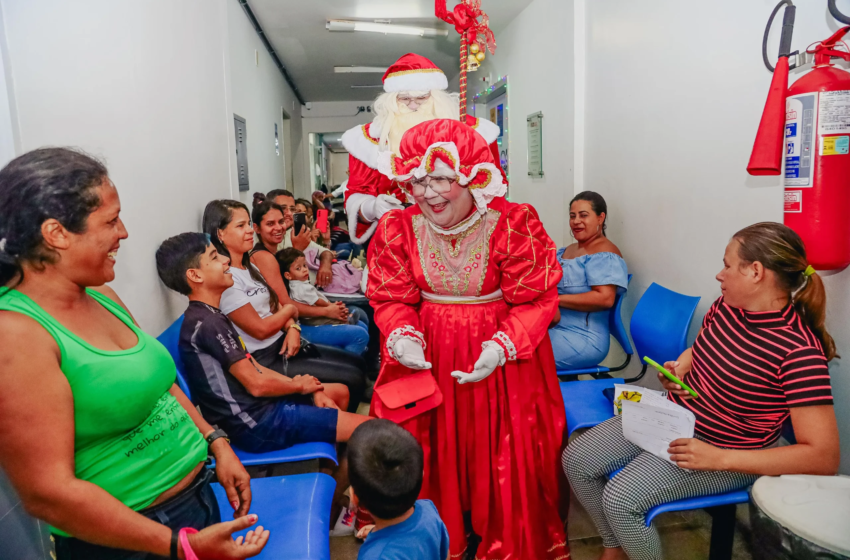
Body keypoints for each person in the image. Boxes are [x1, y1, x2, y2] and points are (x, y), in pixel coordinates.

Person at [0, 148, 268, 560]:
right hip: (131, 539)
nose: (123, 232)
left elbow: (160, 385)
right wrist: (179, 545)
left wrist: (216, 443)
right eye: (110, 220)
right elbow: (47, 494)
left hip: (194, 501)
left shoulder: (103, 297)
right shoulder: (16, 334)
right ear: (56, 233)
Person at [563, 222, 839, 560]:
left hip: (726, 450)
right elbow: (702, 347)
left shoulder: (798, 351)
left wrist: (720, 458)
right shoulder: (728, 307)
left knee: (621, 498)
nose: (719, 275)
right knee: (576, 460)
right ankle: (615, 547)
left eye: (726, 264)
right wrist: (681, 366)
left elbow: (823, 457)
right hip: (677, 416)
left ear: (755, 272)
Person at [367, 119, 568, 560]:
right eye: (417, 180)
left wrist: (502, 345)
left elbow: (538, 299)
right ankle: (446, 534)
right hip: (430, 348)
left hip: (500, 355)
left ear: (473, 175)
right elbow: (389, 297)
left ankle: (501, 538)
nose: (427, 192)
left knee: (501, 450)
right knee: (436, 448)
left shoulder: (513, 222)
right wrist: (402, 336)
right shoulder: (398, 227)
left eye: (440, 177)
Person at [155, 232, 370, 454]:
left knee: (339, 392)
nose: (225, 260)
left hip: (260, 406)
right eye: (214, 257)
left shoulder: (213, 314)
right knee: (370, 430)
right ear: (195, 275)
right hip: (255, 423)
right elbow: (256, 385)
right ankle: (336, 457)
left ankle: (331, 461)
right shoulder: (207, 324)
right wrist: (298, 386)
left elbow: (254, 367)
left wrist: (302, 384)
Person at [203, 199, 367, 411]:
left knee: (357, 366)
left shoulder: (249, 266)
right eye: (240, 226)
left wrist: (291, 327)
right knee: (351, 379)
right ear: (220, 234)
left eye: (248, 224)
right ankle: (335, 429)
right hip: (265, 357)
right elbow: (262, 328)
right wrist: (290, 311)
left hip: (284, 343)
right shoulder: (226, 278)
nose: (249, 231)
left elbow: (275, 306)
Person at [341, 53, 502, 245]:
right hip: (397, 241)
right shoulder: (368, 141)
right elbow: (356, 193)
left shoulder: (474, 134)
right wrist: (371, 207)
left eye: (422, 98)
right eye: (404, 99)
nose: (413, 105)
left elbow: (495, 189)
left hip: (463, 240)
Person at [249, 199, 366, 353]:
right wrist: (327, 311)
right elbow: (286, 303)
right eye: (270, 224)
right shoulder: (264, 257)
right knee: (359, 334)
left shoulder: (276, 251)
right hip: (287, 327)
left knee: (361, 323)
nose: (278, 228)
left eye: (281, 222)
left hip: (302, 313)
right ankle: (344, 372)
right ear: (256, 228)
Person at [348, 419, 449, 560]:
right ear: (422, 475)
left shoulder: (376, 556)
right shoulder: (429, 511)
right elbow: (445, 554)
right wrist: (377, 531)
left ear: (355, 498)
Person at [549, 191, 628, 370]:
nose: (576, 221)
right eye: (572, 216)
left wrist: (554, 299)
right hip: (555, 329)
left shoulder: (604, 254)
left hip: (583, 339)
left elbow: (605, 298)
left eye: (584, 215)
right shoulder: (567, 250)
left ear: (601, 218)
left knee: (514, 355)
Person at [277, 247, 369, 356]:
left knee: (362, 324)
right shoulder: (300, 288)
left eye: (305, 266)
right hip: (311, 319)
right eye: (298, 268)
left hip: (313, 313)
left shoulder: (299, 283)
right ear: (288, 275)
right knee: (358, 333)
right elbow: (317, 301)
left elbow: (325, 252)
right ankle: (346, 364)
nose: (305, 270)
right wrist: (330, 306)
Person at [266, 189, 333, 286]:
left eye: (292, 209)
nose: (289, 213)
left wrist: (325, 266)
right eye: (283, 208)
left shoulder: (292, 232)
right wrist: (297, 249)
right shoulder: (261, 239)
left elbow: (325, 252)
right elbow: (275, 277)